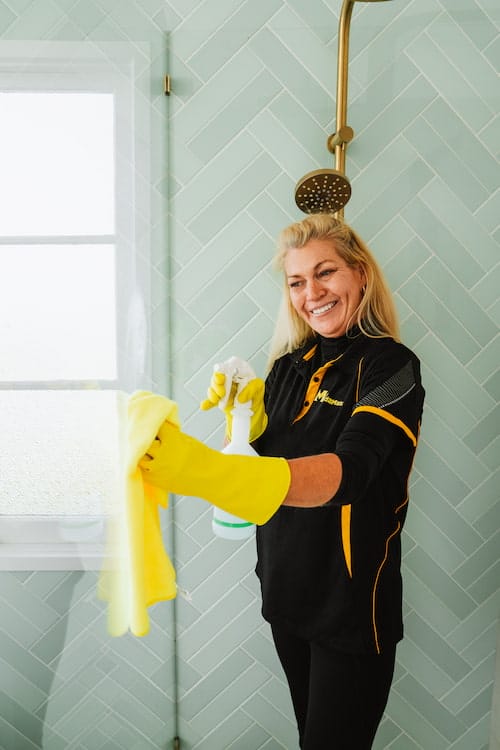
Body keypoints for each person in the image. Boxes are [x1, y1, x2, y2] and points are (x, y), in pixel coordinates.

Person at [141, 213, 425, 750]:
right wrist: (244, 419)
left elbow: (349, 474)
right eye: (297, 281)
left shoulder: (392, 368)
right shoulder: (289, 367)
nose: (311, 293)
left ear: (359, 274)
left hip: (349, 606)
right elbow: (267, 465)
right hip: (287, 592)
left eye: (325, 273)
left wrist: (208, 472)